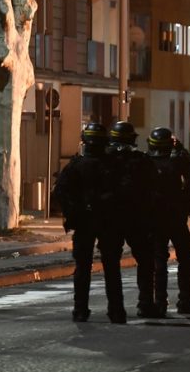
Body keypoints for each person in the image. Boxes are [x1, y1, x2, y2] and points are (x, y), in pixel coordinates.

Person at [53, 123, 126, 323]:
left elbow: (60, 191)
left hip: (84, 223)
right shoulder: (114, 165)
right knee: (111, 267)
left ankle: (80, 310)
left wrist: (75, 211)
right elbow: (124, 193)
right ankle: (116, 311)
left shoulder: (75, 165)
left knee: (82, 268)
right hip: (108, 222)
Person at [104, 121, 159, 318]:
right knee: (145, 261)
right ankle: (145, 304)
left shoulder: (104, 161)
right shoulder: (142, 161)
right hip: (138, 219)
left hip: (111, 220)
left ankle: (116, 309)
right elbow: (154, 189)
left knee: (111, 265)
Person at [147, 127, 190, 315]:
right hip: (176, 218)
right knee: (186, 260)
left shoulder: (146, 162)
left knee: (158, 261)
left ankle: (159, 302)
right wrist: (182, 149)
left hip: (155, 219)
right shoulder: (177, 161)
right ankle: (185, 300)